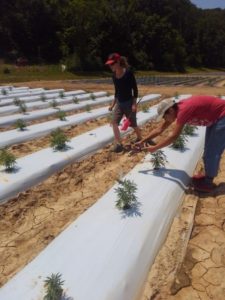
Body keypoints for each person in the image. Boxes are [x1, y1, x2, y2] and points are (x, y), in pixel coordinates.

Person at [135, 95, 225, 192]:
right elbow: (160, 129)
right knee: (208, 150)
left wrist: (155, 147)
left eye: (164, 117)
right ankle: (207, 177)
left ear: (170, 110)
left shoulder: (183, 110)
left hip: (222, 116)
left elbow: (174, 136)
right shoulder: (176, 110)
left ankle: (208, 183)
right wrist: (142, 141)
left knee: (212, 152)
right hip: (215, 118)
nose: (165, 120)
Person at [105, 53, 142, 152]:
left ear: (118, 62)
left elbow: (135, 89)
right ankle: (119, 144)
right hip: (119, 104)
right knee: (114, 122)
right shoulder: (114, 76)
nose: (110, 66)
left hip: (129, 103)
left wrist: (134, 104)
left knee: (133, 124)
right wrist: (113, 104)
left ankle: (140, 138)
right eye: (109, 64)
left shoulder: (128, 73)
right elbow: (117, 91)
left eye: (112, 64)